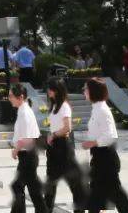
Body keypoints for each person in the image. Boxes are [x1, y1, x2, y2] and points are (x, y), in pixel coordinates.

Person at [81, 78, 128, 213]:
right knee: (99, 195)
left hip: (105, 158)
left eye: (86, 89)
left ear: (93, 91)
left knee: (114, 193)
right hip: (100, 158)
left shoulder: (101, 110)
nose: (84, 91)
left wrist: (92, 143)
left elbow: (111, 136)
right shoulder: (97, 108)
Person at [43, 78, 87, 213]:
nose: (47, 91)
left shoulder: (64, 106)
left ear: (56, 90)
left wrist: (54, 135)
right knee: (50, 183)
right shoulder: (54, 106)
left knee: (75, 183)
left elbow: (68, 128)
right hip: (54, 148)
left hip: (63, 148)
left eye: (50, 88)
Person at [8, 84, 48, 213]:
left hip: (28, 156)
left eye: (11, 96)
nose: (9, 98)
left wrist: (16, 149)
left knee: (17, 186)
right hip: (28, 156)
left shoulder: (25, 112)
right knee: (34, 190)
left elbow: (27, 138)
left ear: (20, 97)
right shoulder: (23, 110)